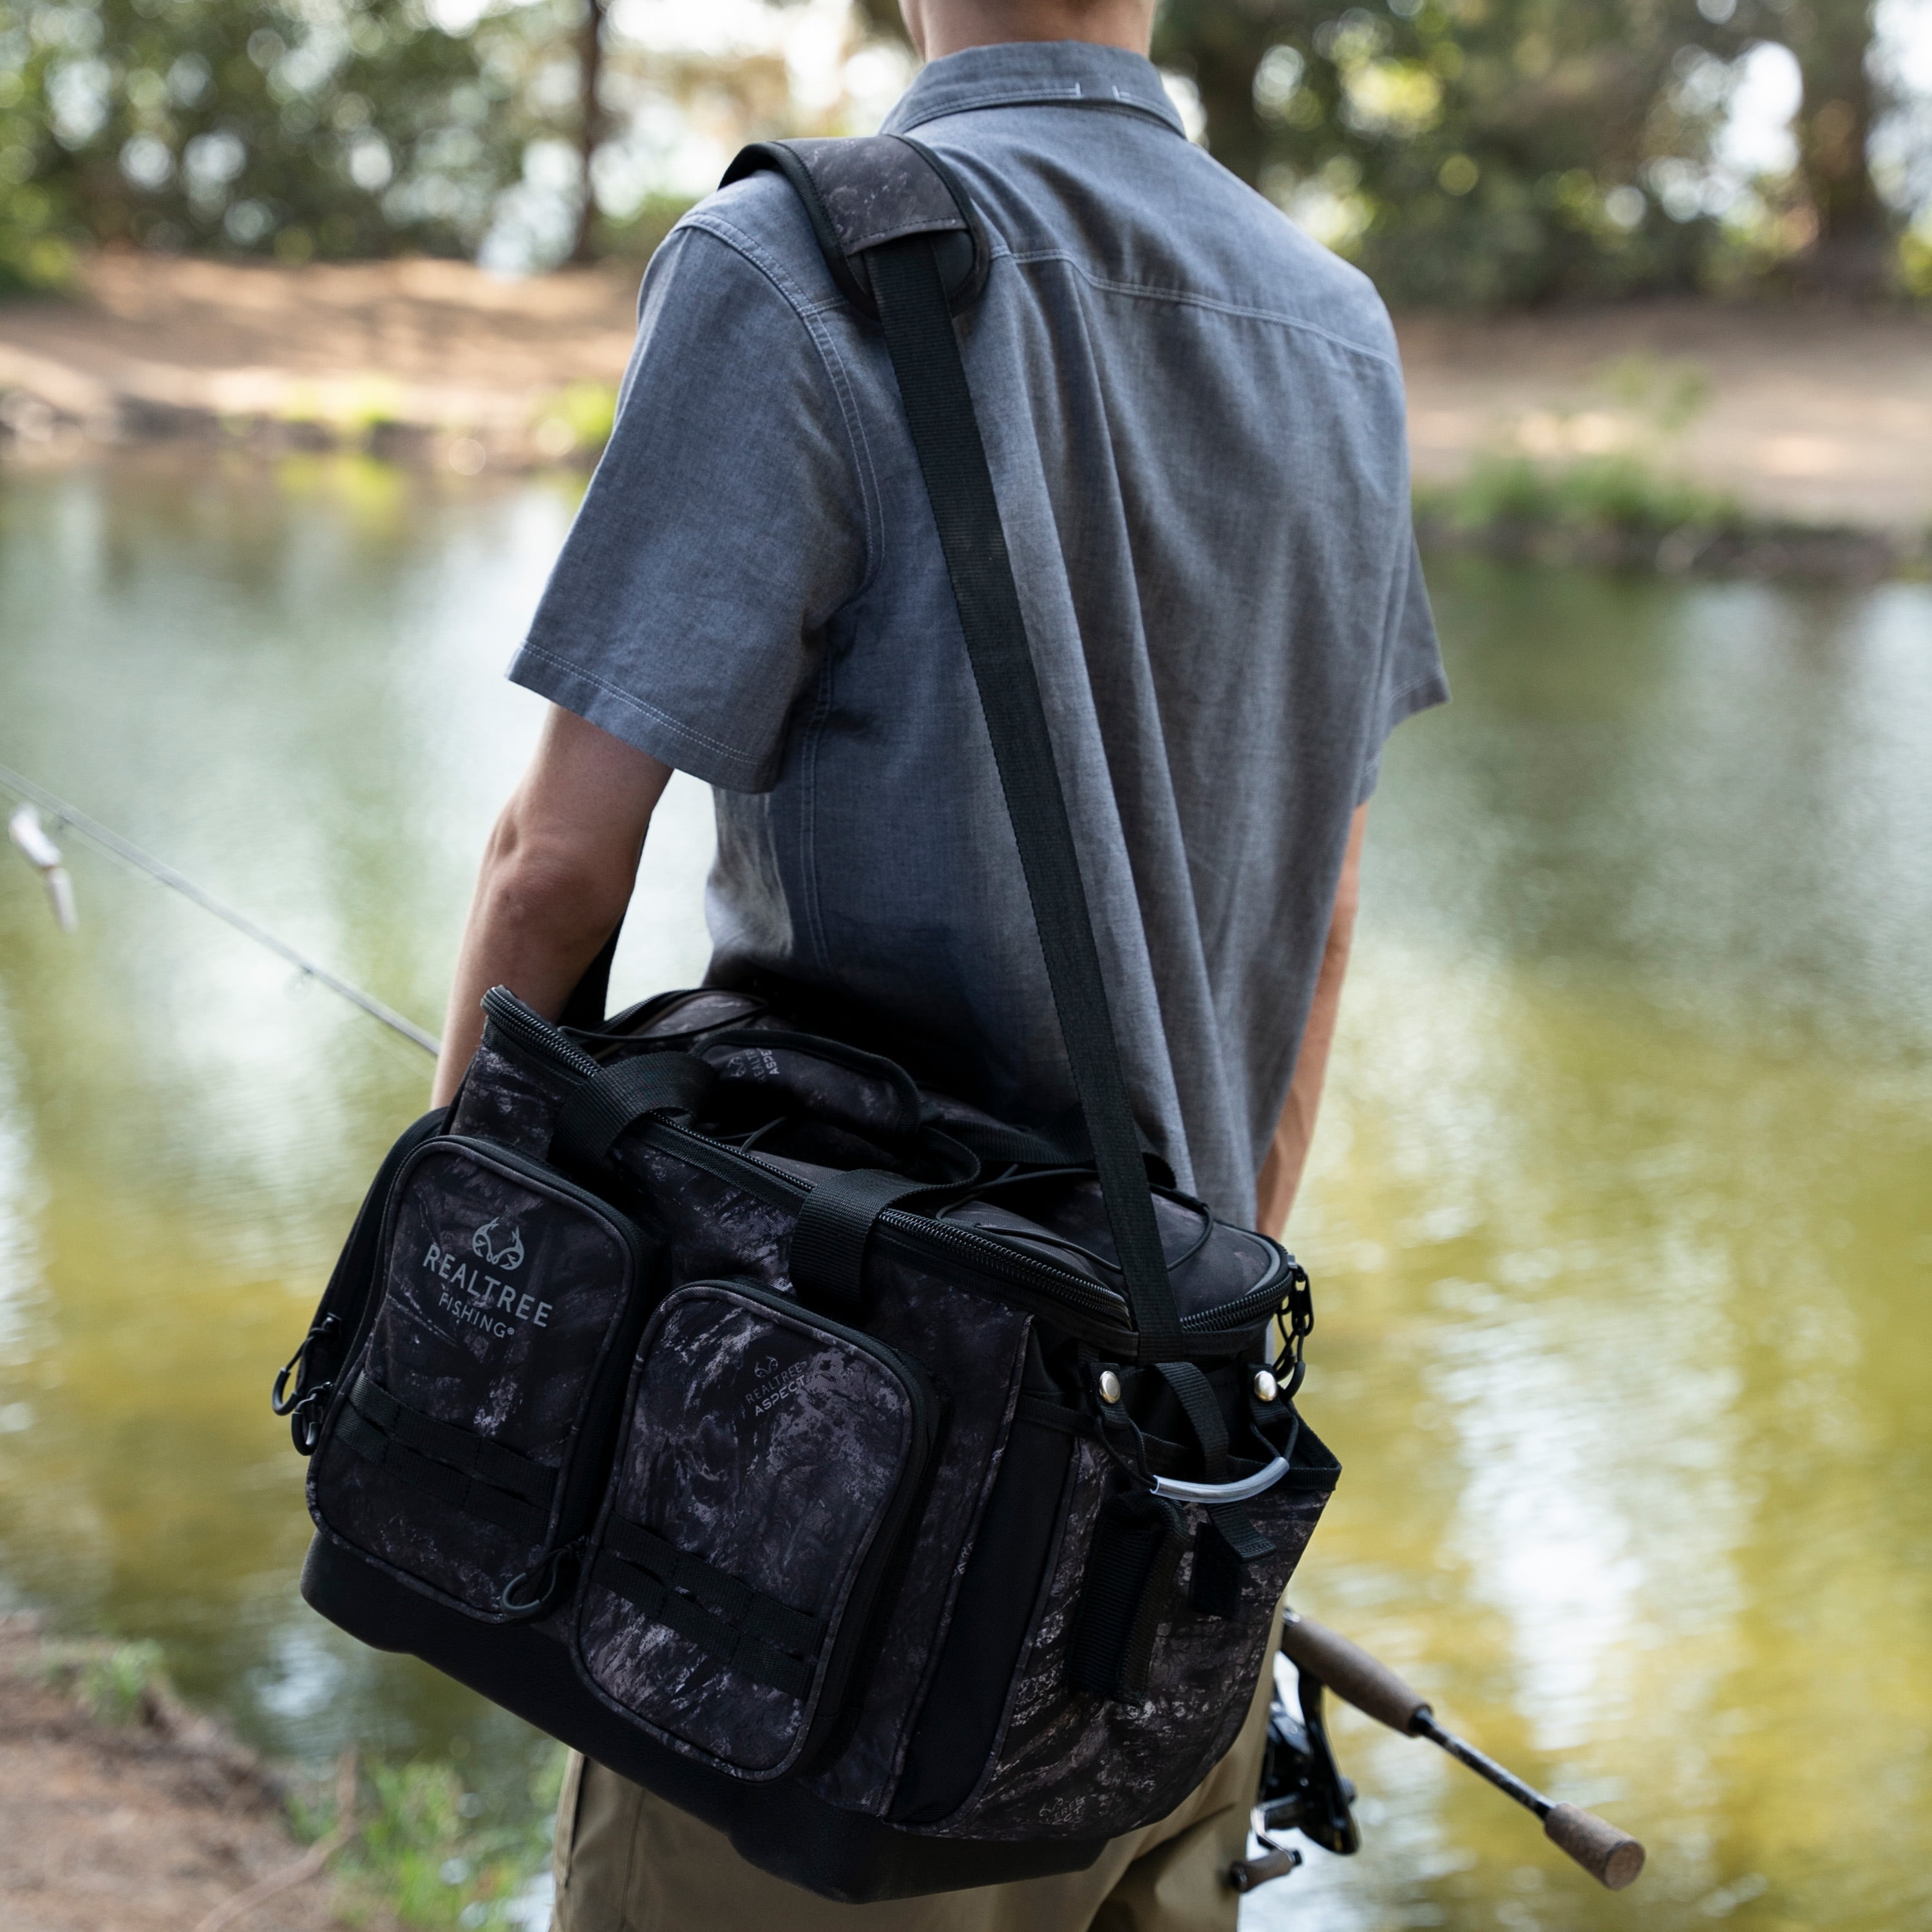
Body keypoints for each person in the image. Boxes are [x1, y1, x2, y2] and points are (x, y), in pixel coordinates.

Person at [430, 0, 1446, 1923]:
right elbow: (1320, 926)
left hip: (811, 1564)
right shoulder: (1338, 330)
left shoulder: (791, 261)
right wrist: (1159, 1353)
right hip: (1160, 1562)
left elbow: (553, 868)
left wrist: (478, 1305)